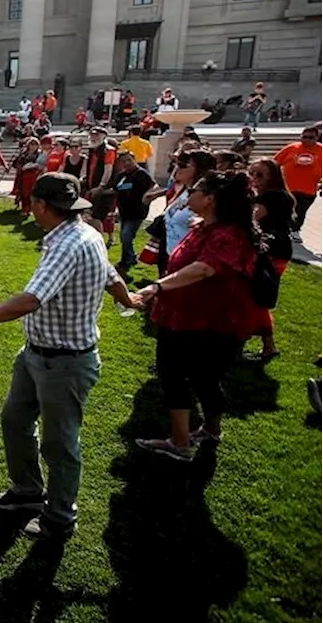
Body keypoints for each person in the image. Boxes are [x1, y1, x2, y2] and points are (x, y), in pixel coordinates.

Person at [0, 174, 137, 539]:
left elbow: (32, 298)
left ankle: (60, 517)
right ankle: (27, 491)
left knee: (60, 443)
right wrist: (129, 299)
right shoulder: (88, 234)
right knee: (15, 420)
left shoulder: (67, 245)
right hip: (36, 353)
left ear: (42, 206)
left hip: (64, 362)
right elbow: (111, 275)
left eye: (33, 202)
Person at [134, 172, 260, 461]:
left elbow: (204, 268)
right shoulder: (206, 227)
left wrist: (158, 286)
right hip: (188, 316)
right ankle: (210, 429)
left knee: (176, 376)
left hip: (206, 322)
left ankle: (180, 443)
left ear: (211, 199)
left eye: (196, 190)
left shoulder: (227, 235)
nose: (189, 194)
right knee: (203, 379)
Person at [247, 158, 295, 362]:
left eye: (260, 175)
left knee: (257, 297)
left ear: (272, 177)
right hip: (273, 250)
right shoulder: (273, 196)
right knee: (258, 297)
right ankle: (266, 344)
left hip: (273, 252)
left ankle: (267, 345)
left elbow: (252, 219)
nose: (255, 179)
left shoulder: (272, 197)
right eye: (252, 173)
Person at [273, 125, 322, 242]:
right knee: (284, 209)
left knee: (300, 211)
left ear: (317, 138)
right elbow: (275, 162)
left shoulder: (321, 151)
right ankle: (280, 230)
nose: (307, 140)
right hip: (287, 187)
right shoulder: (292, 148)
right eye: (304, 137)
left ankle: (295, 231)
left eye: (310, 138)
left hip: (308, 189)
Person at [108, 152, 156, 273]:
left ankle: (129, 259)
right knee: (125, 236)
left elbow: (153, 186)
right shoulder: (121, 176)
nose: (127, 163)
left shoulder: (141, 174)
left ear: (134, 160)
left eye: (129, 160)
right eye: (124, 161)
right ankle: (127, 258)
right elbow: (115, 191)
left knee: (126, 235)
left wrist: (148, 196)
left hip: (137, 212)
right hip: (124, 211)